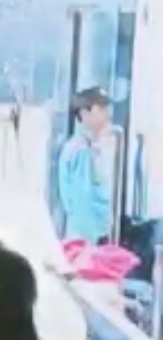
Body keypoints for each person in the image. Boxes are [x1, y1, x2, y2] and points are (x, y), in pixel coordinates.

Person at [58, 87, 114, 246]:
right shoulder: (81, 151)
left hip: (88, 238)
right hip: (89, 239)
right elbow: (83, 200)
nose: (107, 115)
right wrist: (91, 244)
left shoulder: (84, 147)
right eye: (100, 109)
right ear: (84, 114)